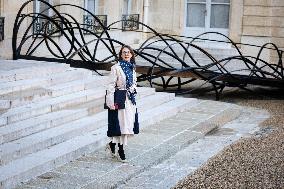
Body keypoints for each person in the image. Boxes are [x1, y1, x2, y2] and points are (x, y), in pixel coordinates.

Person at [105, 45, 139, 162]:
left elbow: (135, 83)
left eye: (128, 52)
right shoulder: (116, 68)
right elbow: (110, 86)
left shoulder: (132, 67)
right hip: (119, 99)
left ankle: (112, 144)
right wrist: (110, 102)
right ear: (120, 54)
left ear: (131, 55)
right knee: (121, 125)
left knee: (128, 125)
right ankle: (121, 149)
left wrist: (133, 89)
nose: (126, 54)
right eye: (124, 52)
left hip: (130, 100)